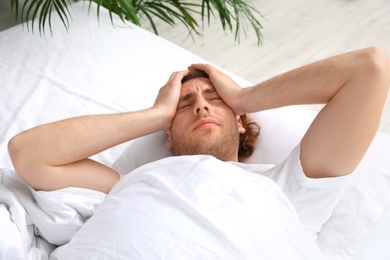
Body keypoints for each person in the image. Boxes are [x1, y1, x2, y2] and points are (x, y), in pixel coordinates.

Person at [8, 47, 390, 257]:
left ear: (240, 121)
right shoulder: (131, 183)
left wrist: (241, 95)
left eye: (213, 98)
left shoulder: (289, 188)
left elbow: (369, 69)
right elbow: (28, 153)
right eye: (185, 104)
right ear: (168, 136)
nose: (202, 106)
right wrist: (156, 114)